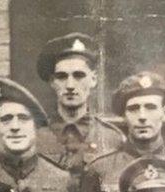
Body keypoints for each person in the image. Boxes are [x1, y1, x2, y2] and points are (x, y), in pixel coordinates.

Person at [35, 32, 124, 174]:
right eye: (61, 76)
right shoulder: (35, 137)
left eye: (79, 75)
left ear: (93, 79)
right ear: (52, 81)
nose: (70, 85)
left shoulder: (112, 138)